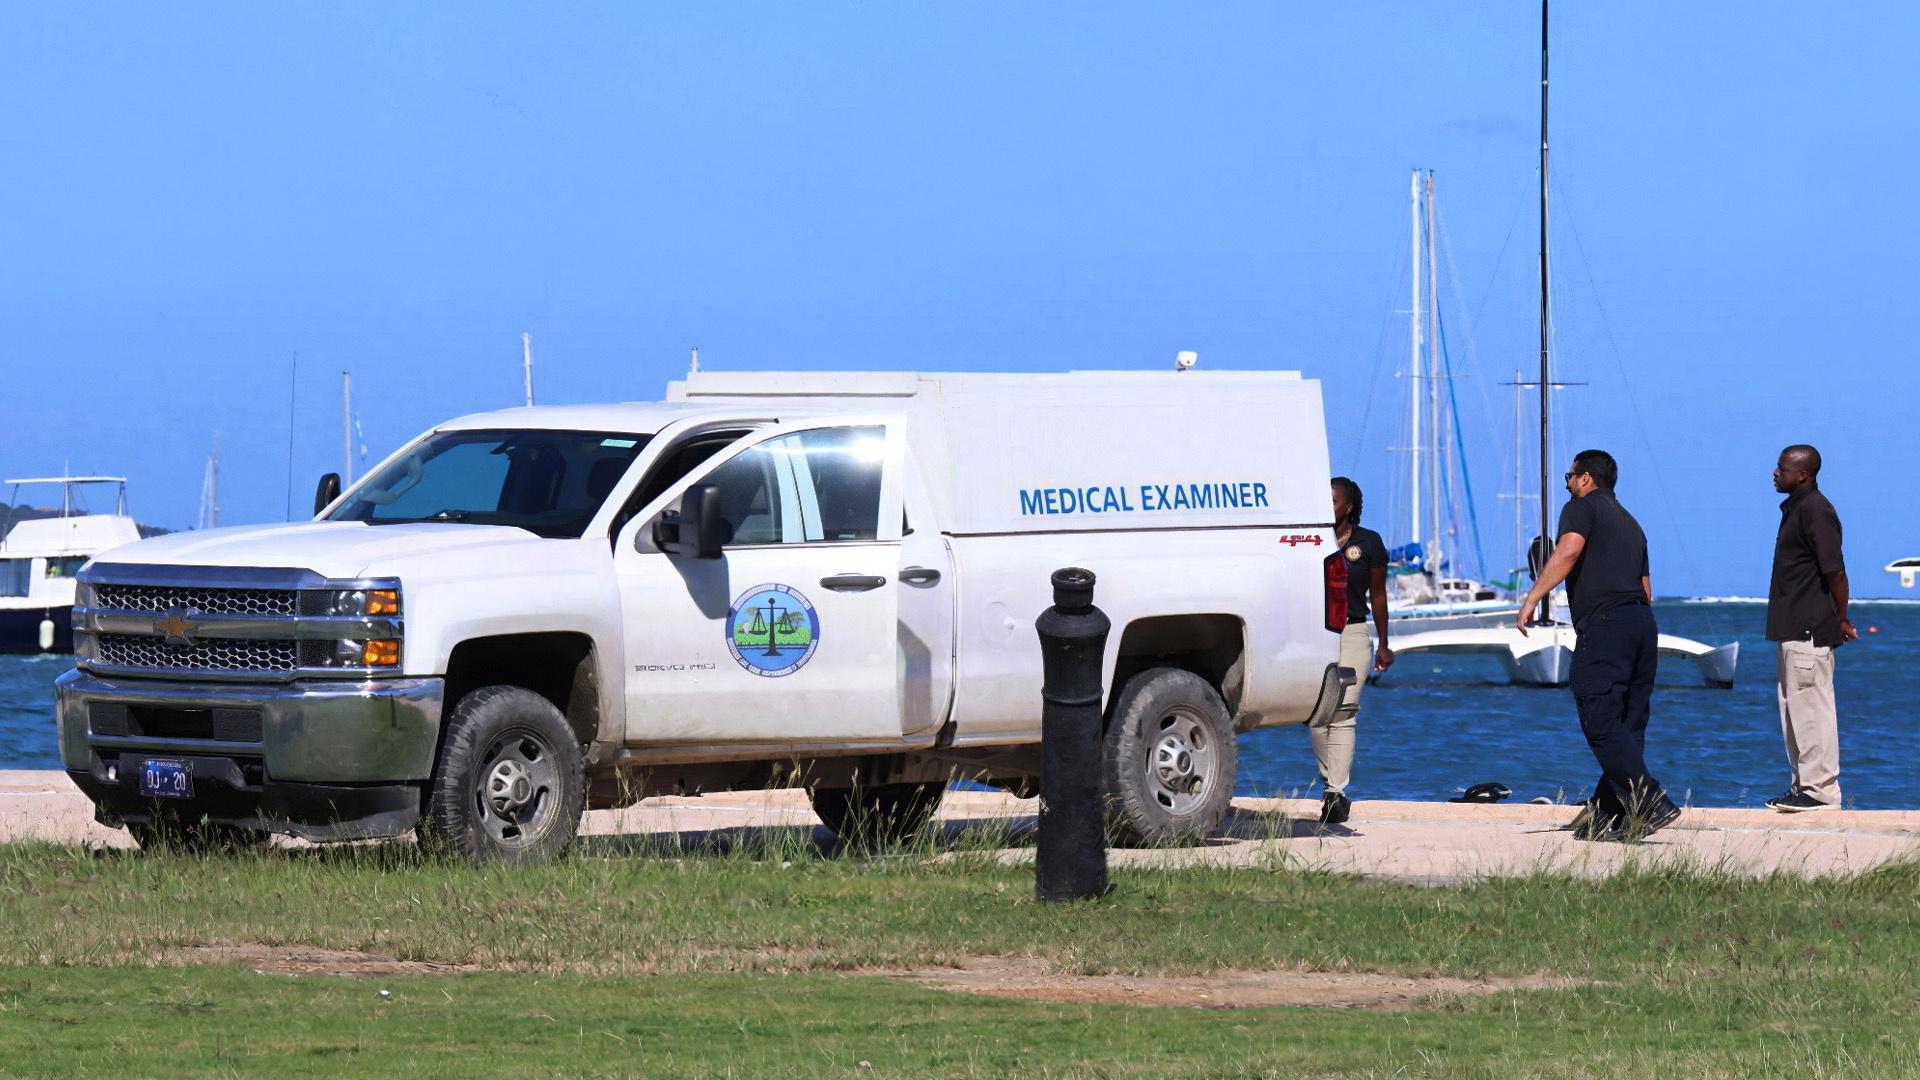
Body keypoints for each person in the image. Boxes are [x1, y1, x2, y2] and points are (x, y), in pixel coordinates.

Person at [1517, 449, 1680, 841]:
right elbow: (1646, 589)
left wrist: (1533, 597)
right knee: (1628, 721)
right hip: (1641, 622)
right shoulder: (1632, 525)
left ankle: (1648, 800)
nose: (1568, 483)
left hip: (1607, 623)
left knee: (1599, 715)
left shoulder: (1581, 507)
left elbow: (1568, 550)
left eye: (1569, 476)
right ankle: (1612, 814)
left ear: (1586, 478)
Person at [1764, 444, 1854, 812]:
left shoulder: (1816, 511)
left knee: (1811, 710)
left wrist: (1842, 617)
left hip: (1808, 631)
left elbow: (1835, 571)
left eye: (1782, 468)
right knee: (1793, 712)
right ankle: (1804, 787)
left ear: (1803, 475)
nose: (1774, 472)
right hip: (1792, 630)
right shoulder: (1796, 509)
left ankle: (1820, 791)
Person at [1319, 478, 1394, 825]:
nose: (1327, 505)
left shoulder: (1369, 543)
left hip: (1352, 631)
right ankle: (1328, 785)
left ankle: (1336, 793)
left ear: (1348, 507)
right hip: (1316, 634)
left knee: (1344, 711)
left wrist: (1384, 642)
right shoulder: (1312, 537)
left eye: (1332, 501)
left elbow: (1378, 595)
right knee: (1317, 715)